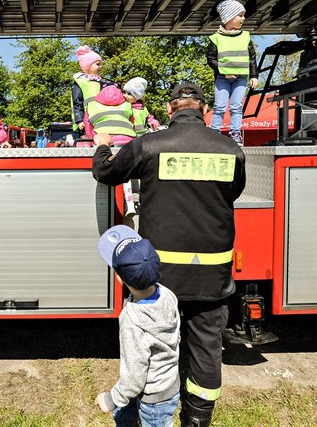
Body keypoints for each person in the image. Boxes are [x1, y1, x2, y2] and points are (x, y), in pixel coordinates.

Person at [92, 83, 246, 427]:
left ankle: (148, 404)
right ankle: (196, 419)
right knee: (206, 346)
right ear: (205, 109)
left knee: (151, 343)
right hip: (212, 274)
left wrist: (102, 147)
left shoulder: (150, 144)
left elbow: (106, 173)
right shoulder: (230, 148)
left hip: (162, 275)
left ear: (169, 108)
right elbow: (233, 192)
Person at [95, 224, 181, 427]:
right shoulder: (168, 295)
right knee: (124, 416)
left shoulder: (132, 320)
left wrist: (110, 399)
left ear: (119, 278)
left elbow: (134, 376)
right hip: (168, 384)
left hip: (153, 398)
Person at [206, 0, 259, 146]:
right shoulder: (216, 37)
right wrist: (224, 72)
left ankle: (236, 133)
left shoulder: (245, 36)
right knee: (220, 106)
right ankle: (214, 133)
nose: (243, 19)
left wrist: (254, 75)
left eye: (243, 15)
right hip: (222, 79)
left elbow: (252, 57)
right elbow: (210, 59)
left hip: (241, 78)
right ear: (229, 17)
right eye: (240, 15)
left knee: (236, 106)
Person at [73, 45, 115, 138]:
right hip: (86, 120)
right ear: (87, 65)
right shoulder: (80, 82)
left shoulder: (103, 82)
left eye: (101, 64)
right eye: (97, 64)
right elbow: (77, 102)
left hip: (102, 118)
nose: (100, 67)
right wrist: (79, 120)